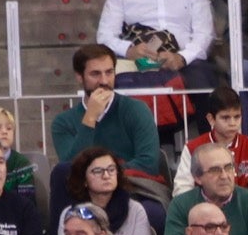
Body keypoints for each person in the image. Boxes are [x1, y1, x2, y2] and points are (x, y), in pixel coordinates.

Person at [49, 46, 164, 185]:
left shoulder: (136, 109)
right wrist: (90, 118)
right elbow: (71, 169)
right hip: (84, 192)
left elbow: (149, 164)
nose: (104, 81)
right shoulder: (63, 122)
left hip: (132, 187)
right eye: (95, 74)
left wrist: (102, 174)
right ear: (80, 77)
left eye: (109, 72)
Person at [165, 143, 248, 235]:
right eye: (215, 170)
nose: (224, 176)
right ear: (197, 178)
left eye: (228, 167)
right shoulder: (181, 205)